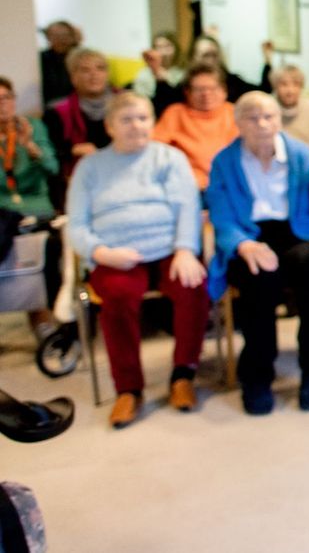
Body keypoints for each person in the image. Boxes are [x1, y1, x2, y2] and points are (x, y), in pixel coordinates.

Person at [63, 92, 207, 429]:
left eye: (142, 118)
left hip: (169, 249)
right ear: (110, 126)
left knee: (194, 286)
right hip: (115, 254)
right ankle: (129, 389)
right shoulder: (90, 167)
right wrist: (100, 252)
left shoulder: (169, 158)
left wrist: (186, 248)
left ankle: (183, 374)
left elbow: (188, 207)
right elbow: (76, 224)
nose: (136, 126)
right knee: (117, 296)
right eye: (126, 120)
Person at [205, 92, 309, 415]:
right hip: (250, 235)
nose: (262, 124)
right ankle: (257, 374)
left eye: (269, 116)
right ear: (238, 123)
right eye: (252, 118)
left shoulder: (300, 155)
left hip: (298, 230)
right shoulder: (225, 162)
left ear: (279, 120)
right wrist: (244, 245)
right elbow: (221, 216)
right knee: (259, 278)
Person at [0, 76, 62, 335]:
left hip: (36, 207)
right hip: (3, 209)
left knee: (50, 248)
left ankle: (44, 316)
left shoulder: (33, 127)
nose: (2, 105)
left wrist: (30, 147)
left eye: (6, 98)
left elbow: (52, 168)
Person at [150, 65, 237, 189]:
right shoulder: (175, 113)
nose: (206, 94)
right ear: (187, 92)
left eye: (212, 88)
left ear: (224, 91)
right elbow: (153, 149)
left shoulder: (237, 113)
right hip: (188, 186)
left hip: (230, 185)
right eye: (199, 89)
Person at [42, 47, 114, 187]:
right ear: (73, 77)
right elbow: (50, 152)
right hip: (79, 180)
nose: (94, 75)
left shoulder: (125, 103)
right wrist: (72, 150)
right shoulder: (56, 111)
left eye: (100, 68)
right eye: (85, 70)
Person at [150, 35, 271, 114]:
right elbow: (163, 106)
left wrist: (267, 60)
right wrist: (158, 74)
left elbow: (262, 92)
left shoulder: (231, 80)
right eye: (205, 55)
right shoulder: (187, 84)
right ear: (193, 58)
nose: (210, 61)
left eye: (214, 55)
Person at [271, 64, 309, 157]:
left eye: (296, 84)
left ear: (301, 86)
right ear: (275, 86)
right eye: (284, 84)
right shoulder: (265, 108)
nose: (290, 91)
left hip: (307, 164)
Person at [129, 32, 185, 99]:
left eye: (167, 46)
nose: (163, 51)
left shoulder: (183, 72)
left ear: (176, 48)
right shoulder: (144, 74)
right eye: (158, 47)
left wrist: (167, 79)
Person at [38, 21, 81, 106]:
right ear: (48, 37)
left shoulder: (80, 57)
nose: (61, 39)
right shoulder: (41, 58)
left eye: (65, 35)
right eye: (56, 35)